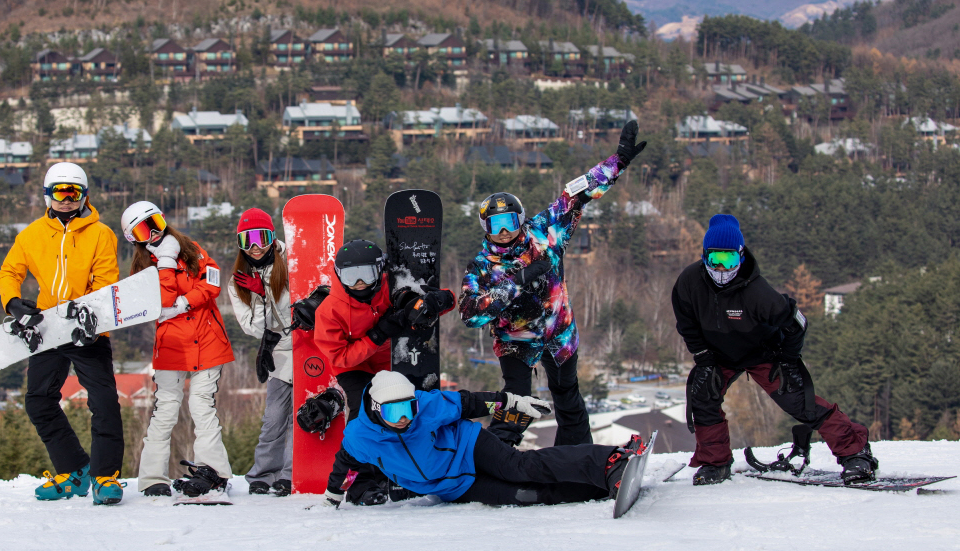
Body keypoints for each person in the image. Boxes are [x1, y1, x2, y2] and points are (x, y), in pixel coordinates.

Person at [459, 121, 647, 448]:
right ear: (484, 227)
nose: (504, 231)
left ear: (521, 220)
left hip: (558, 330)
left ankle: (577, 455)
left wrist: (618, 162)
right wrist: (517, 282)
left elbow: (575, 195)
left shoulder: (544, 234)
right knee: (516, 398)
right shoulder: (482, 266)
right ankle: (498, 455)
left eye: (510, 222)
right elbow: (470, 313)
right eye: (495, 224)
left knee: (566, 393)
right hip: (515, 338)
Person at [672, 214, 875, 485]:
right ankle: (714, 463)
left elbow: (797, 324)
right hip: (718, 354)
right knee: (703, 398)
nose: (721, 269)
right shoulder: (689, 282)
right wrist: (702, 356)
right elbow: (686, 321)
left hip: (763, 351)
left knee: (799, 402)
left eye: (729, 260)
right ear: (704, 257)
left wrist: (788, 359)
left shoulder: (757, 292)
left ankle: (855, 453)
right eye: (714, 260)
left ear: (741, 257)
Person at [0, 162, 125, 504]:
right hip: (47, 328)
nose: (66, 200)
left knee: (103, 402)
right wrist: (12, 303)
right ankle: (74, 469)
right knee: (38, 401)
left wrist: (90, 319)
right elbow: (10, 272)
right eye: (59, 192)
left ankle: (105, 477)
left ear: (84, 196)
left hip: (88, 329)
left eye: (74, 192)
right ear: (47, 195)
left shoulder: (101, 234)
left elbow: (105, 282)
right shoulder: (31, 235)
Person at [332, 371, 643, 506]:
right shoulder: (360, 437)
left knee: (521, 467)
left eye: (408, 407)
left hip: (469, 447)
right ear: (375, 409)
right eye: (393, 411)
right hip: (454, 487)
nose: (404, 417)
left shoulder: (427, 406)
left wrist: (512, 402)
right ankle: (594, 489)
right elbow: (344, 464)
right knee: (524, 496)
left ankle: (610, 461)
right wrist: (332, 497)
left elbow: (472, 402)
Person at [309, 239, 455, 505]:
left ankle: (401, 474)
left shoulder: (392, 286)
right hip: (353, 366)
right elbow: (341, 356)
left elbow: (429, 302)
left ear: (380, 271)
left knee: (402, 411)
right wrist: (379, 334)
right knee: (364, 413)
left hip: (389, 360)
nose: (360, 284)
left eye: (367, 274)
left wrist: (440, 301)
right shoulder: (330, 310)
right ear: (339, 276)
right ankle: (360, 484)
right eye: (351, 277)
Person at [121, 201, 235, 502]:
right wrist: (165, 264)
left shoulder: (190, 248)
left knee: (201, 406)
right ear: (134, 238)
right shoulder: (144, 266)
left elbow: (212, 281)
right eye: (145, 229)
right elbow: (160, 299)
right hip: (172, 346)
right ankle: (152, 478)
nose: (155, 231)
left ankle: (215, 473)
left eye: (156, 221)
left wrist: (186, 303)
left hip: (207, 339)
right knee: (166, 410)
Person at [226, 208, 294, 497]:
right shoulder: (237, 283)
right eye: (247, 240)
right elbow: (255, 328)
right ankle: (263, 474)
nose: (255, 247)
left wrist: (269, 289)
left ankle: (290, 474)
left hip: (307, 345)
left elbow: (299, 307)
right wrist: (259, 295)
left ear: (272, 237)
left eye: (261, 238)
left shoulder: (293, 261)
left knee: (302, 415)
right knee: (275, 417)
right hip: (278, 351)